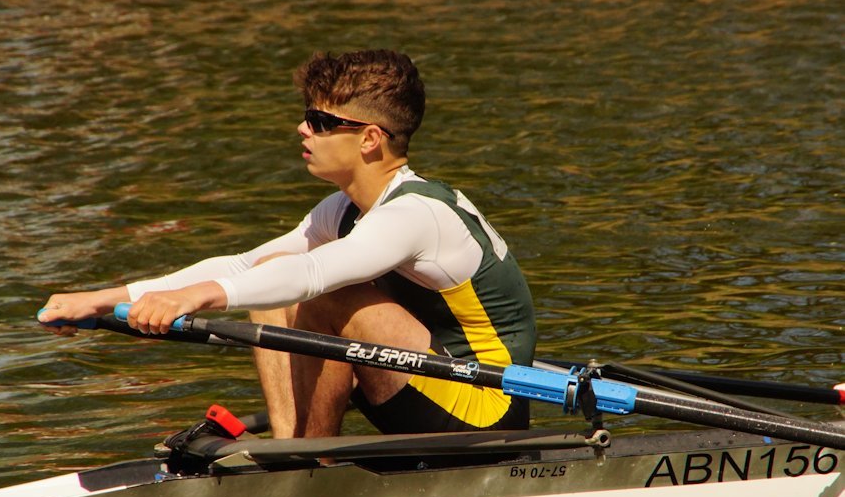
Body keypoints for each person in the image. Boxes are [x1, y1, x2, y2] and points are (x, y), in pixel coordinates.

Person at [38, 49, 537, 440]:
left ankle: (310, 464)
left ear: (369, 140)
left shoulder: (415, 215)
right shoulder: (341, 210)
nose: (303, 128)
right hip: (420, 383)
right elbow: (243, 264)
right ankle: (292, 447)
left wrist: (195, 299)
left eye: (320, 122)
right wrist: (103, 299)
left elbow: (312, 276)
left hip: (482, 407)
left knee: (316, 287)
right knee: (274, 269)